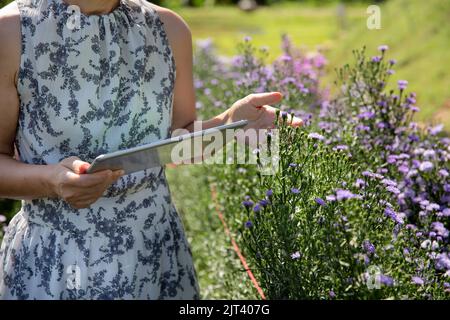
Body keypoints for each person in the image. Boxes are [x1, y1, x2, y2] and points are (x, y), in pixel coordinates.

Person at [0, 0, 302, 299]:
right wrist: (52, 181)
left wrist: (231, 123)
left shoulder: (169, 28)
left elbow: (178, 143)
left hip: (155, 253)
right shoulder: (12, 31)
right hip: (58, 262)